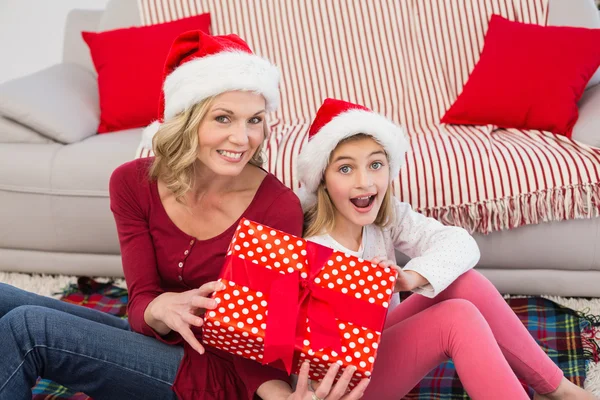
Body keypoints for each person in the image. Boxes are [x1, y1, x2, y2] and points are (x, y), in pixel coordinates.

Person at [0, 33, 367, 400]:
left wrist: (281, 397)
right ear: (186, 121)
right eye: (223, 118)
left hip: (218, 373)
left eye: (254, 120)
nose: (243, 138)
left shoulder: (275, 207)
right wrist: (158, 308)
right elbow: (141, 304)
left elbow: (262, 339)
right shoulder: (132, 183)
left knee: (29, 329)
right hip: (155, 342)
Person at [297, 98, 596, 400]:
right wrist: (361, 295)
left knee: (465, 282)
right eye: (345, 169)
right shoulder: (314, 247)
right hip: (345, 385)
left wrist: (409, 279)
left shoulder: (386, 218)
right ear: (322, 179)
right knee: (457, 318)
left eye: (376, 165)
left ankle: (556, 389)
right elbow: (309, 352)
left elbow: (460, 244)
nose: (365, 182)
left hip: (383, 343)